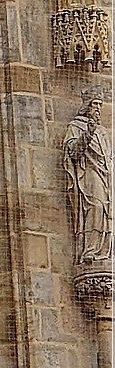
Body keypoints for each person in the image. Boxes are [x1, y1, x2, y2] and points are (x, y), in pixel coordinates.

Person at [62, 93, 111, 269]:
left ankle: (105, 250)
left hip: (106, 175)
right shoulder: (76, 126)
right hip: (88, 174)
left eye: (100, 105)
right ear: (87, 106)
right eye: (95, 104)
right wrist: (88, 133)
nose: (98, 108)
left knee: (107, 212)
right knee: (96, 207)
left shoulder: (103, 132)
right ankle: (90, 249)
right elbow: (73, 152)